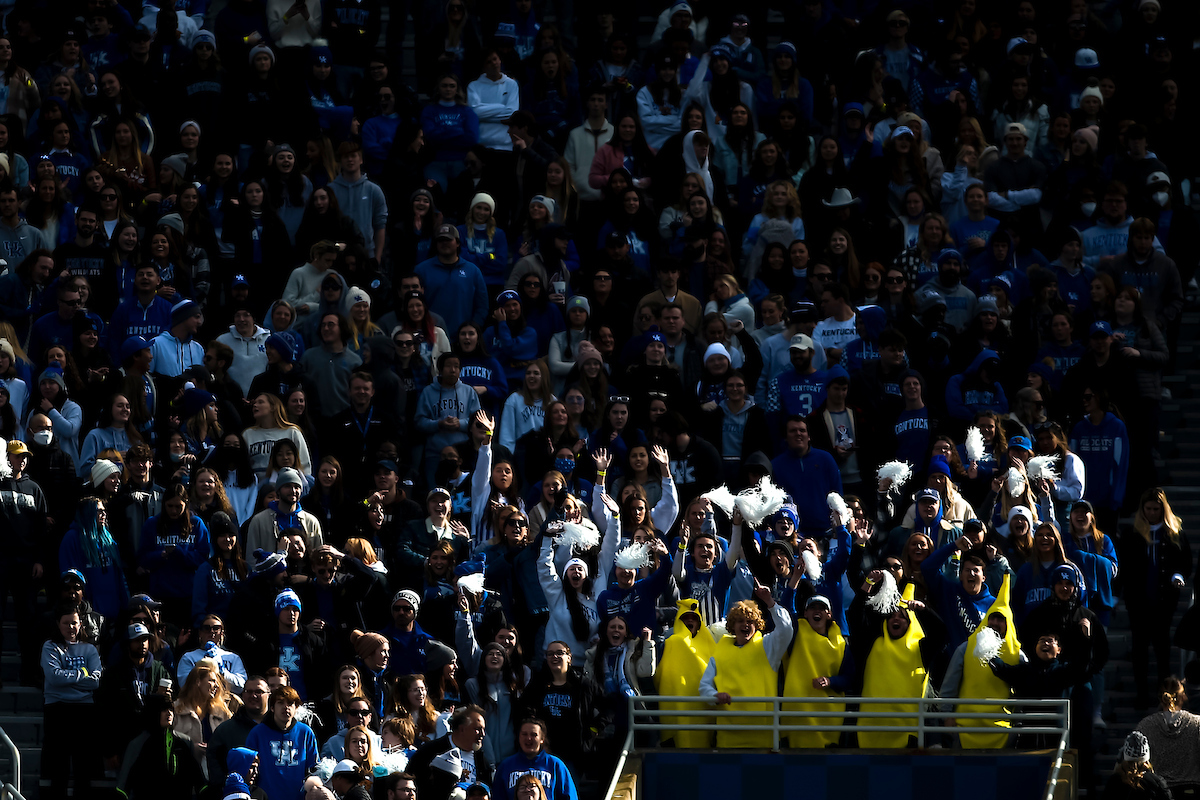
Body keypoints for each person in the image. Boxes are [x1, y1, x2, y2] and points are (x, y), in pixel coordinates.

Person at [699, 587, 794, 747]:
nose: (746, 625)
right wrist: (714, 696)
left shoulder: (768, 646)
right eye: (740, 621)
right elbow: (704, 687)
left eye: (750, 621)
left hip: (763, 740)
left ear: (757, 625)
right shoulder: (720, 650)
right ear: (732, 625)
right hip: (728, 739)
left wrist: (770, 602)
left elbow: (786, 629)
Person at [41, 603, 102, 800]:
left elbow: (95, 682)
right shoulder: (50, 646)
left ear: (80, 624)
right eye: (66, 623)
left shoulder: (90, 649)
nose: (71, 627)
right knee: (59, 769)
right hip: (57, 710)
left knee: (83, 769)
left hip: (84, 711)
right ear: (58, 624)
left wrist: (68, 680)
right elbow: (54, 677)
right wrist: (81, 674)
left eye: (74, 623)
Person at [245, 685, 320, 800]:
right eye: (280, 703)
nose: (286, 707)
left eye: (290, 704)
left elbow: (314, 768)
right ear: (272, 708)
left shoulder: (305, 732)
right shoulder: (257, 733)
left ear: (296, 708)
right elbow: (248, 770)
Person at [406, 705, 493, 800]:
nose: (482, 734)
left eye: (483, 730)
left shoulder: (482, 760)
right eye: (477, 729)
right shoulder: (430, 751)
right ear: (462, 729)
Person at [492, 718, 579, 800]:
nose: (529, 738)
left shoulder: (555, 764)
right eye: (524, 734)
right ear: (519, 737)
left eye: (534, 735)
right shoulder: (505, 766)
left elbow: (570, 796)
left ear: (542, 739)